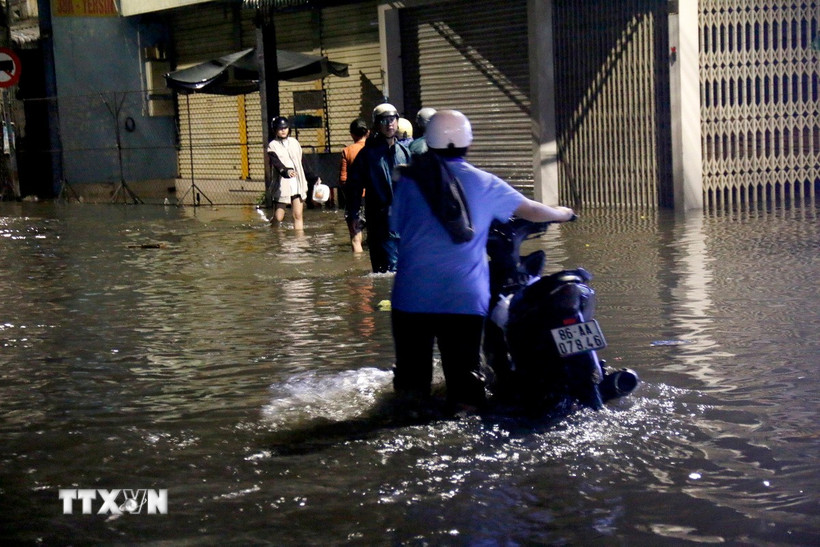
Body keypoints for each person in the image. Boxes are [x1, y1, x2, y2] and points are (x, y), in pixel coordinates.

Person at [389, 109, 576, 410]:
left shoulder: (408, 181)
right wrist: (564, 213)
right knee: (465, 382)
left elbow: (395, 227)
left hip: (411, 296)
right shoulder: (485, 182)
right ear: (468, 141)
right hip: (462, 297)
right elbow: (531, 210)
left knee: (411, 384)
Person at [345, 103, 411, 272]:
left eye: (392, 119)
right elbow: (354, 188)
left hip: (405, 221)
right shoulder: (367, 155)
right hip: (381, 221)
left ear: (397, 121)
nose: (389, 124)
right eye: (384, 120)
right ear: (376, 124)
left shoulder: (404, 152)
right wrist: (353, 214)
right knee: (388, 272)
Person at [267, 116, 320, 230]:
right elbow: (277, 164)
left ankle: (299, 242)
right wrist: (286, 171)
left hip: (297, 184)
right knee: (279, 217)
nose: (283, 130)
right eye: (280, 128)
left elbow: (303, 163)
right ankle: (274, 234)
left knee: (298, 215)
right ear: (275, 130)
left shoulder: (295, 143)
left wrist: (314, 178)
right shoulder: (273, 145)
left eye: (285, 128)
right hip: (282, 186)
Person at [339, 118, 370, 252]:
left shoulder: (347, 151)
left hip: (356, 199)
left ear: (352, 134)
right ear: (368, 132)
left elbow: (343, 179)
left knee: (356, 238)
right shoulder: (374, 149)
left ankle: (357, 267)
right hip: (376, 198)